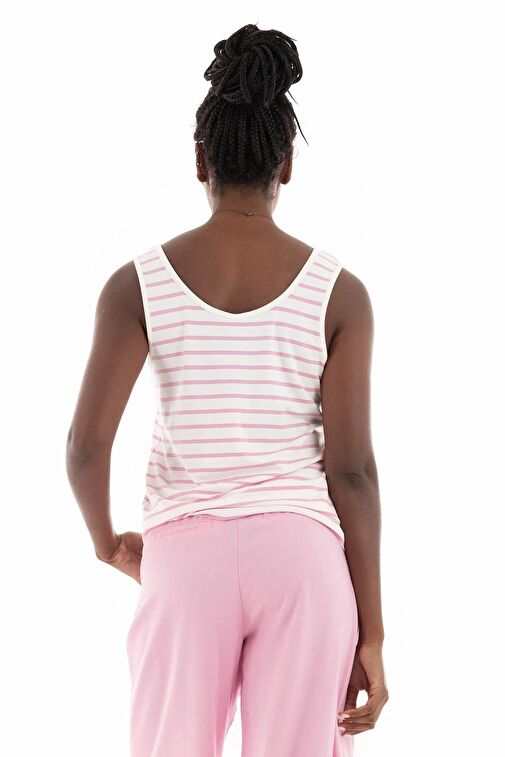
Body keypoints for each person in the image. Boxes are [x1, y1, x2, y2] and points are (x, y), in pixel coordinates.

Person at [66, 23, 388, 757]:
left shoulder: (137, 285)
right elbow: (352, 472)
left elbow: (85, 446)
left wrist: (108, 544)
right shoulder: (338, 293)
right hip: (303, 563)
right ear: (286, 165)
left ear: (199, 159)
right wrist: (371, 631)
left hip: (184, 562)